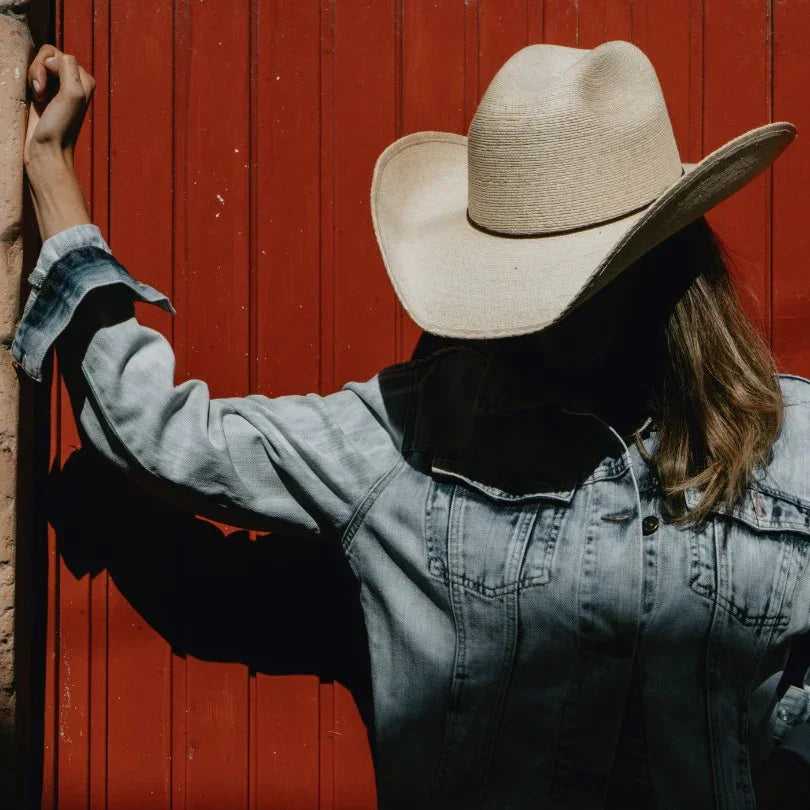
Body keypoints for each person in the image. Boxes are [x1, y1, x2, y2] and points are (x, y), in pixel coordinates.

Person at [14, 38, 810, 810]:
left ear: (660, 270)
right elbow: (163, 435)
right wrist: (52, 175)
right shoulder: (413, 436)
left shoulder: (790, 444)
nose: (533, 322)